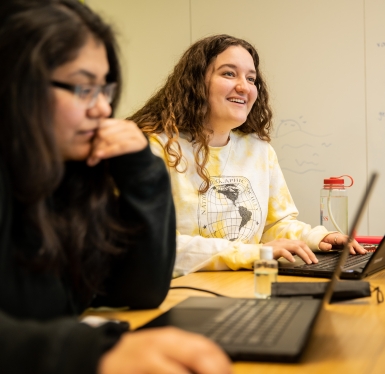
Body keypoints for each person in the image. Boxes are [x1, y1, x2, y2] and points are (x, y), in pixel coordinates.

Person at [0, 1, 231, 373]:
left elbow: (137, 290)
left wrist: (143, 171)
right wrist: (87, 353)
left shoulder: (68, 179)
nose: (103, 110)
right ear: (14, 84)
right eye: (82, 88)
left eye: (104, 90)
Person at [130, 34, 366, 277]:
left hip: (245, 284)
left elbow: (273, 225)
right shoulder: (152, 148)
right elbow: (153, 245)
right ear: (196, 81)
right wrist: (253, 253)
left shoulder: (259, 150)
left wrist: (318, 237)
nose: (244, 87)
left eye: (251, 78)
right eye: (229, 74)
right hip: (177, 293)